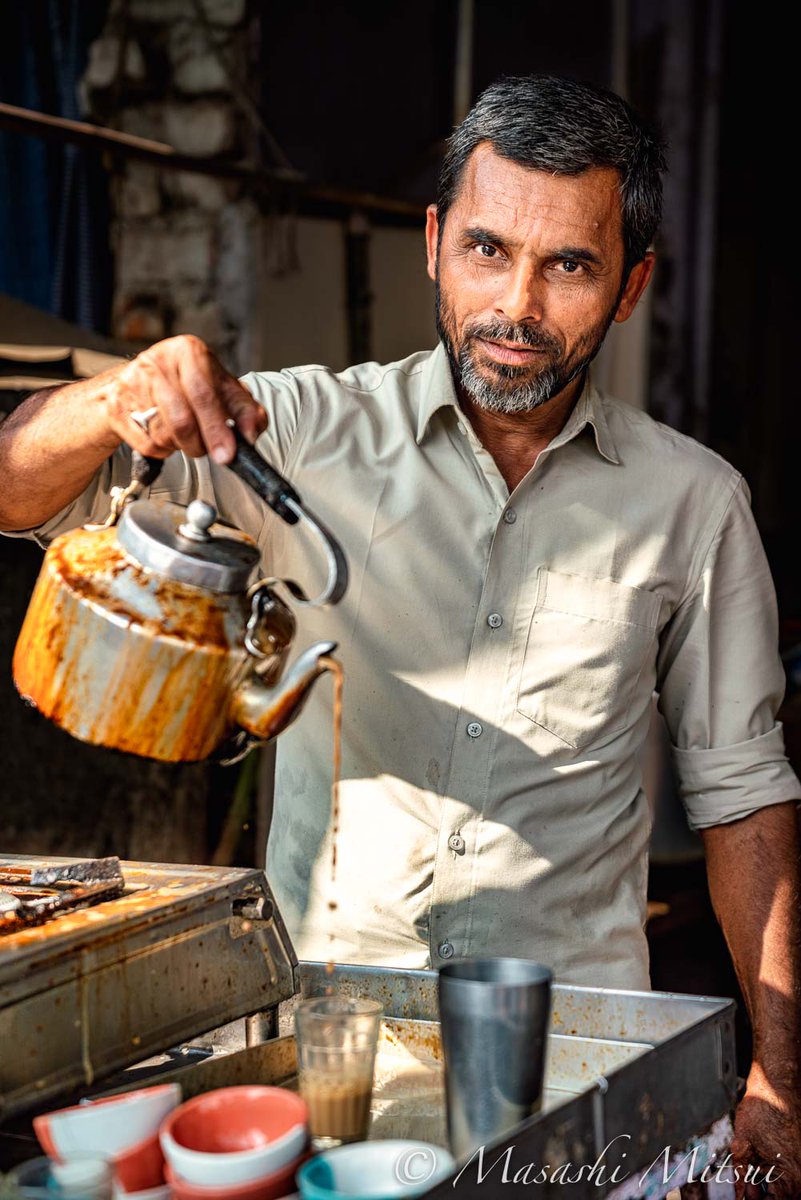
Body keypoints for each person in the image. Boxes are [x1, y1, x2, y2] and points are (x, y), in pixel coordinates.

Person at [1, 75, 798, 1192]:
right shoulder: (295, 435)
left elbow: (743, 793)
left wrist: (780, 1078)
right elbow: (14, 488)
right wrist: (111, 399)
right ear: (432, 244)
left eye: (568, 264)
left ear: (632, 287)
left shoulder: (695, 506)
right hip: (323, 1054)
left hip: (571, 1070)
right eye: (485, 248)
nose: (515, 305)